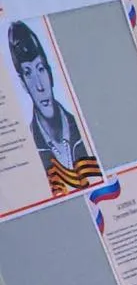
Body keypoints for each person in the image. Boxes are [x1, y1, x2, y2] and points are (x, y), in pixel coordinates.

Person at [8, 21, 97, 193]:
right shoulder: (30, 149)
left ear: (50, 73)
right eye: (28, 73)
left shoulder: (82, 129)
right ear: (23, 84)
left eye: (40, 69)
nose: (39, 86)